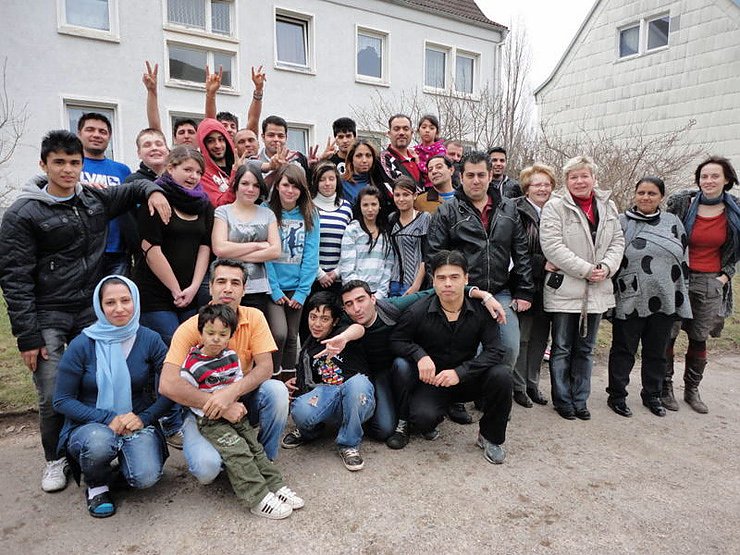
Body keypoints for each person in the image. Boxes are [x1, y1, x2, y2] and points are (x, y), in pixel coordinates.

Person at [0, 130, 169, 493]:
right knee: (52, 390)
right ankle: (55, 458)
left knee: (105, 379)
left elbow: (133, 188)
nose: (67, 169)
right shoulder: (22, 214)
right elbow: (14, 278)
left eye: (74, 162)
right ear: (43, 164)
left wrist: (152, 191)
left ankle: (103, 442)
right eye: (59, 162)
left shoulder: (93, 199)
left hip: (91, 311)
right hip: (48, 313)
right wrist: (27, 336)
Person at [53, 276, 172, 518]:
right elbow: (62, 399)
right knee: (99, 443)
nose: (119, 308)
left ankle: (114, 472)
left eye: (125, 300)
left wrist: (144, 418)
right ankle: (97, 485)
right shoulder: (82, 344)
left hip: (135, 420)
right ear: (99, 306)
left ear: (135, 301)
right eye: (110, 302)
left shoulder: (150, 339)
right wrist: (107, 418)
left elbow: (173, 388)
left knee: (146, 477)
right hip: (91, 423)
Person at [159, 258, 289, 480]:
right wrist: (218, 403)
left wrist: (229, 395)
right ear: (210, 287)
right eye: (221, 281)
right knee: (207, 470)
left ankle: (263, 459)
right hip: (200, 410)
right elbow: (167, 384)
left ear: (244, 289)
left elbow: (266, 367)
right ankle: (234, 461)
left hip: (242, 401)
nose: (228, 288)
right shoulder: (191, 327)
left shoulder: (254, 317)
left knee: (277, 391)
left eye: (235, 283)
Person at [340, 279, 505, 447]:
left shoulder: (391, 307)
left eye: (361, 300)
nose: (357, 308)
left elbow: (436, 290)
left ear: (373, 299)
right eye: (349, 304)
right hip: (374, 375)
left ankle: (405, 419)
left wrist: (484, 295)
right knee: (383, 430)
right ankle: (388, 412)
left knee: (402, 365)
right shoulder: (344, 322)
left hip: (402, 368)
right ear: (344, 309)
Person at [180, 304, 303, 519]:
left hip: (235, 412)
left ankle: (275, 484)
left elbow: (237, 382)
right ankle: (257, 497)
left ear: (230, 336)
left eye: (222, 334)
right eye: (210, 333)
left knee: (254, 447)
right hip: (210, 419)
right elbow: (188, 395)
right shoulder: (192, 365)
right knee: (238, 451)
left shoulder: (231, 356)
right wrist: (217, 407)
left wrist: (231, 403)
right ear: (200, 333)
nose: (216, 339)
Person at [390, 250, 512, 464]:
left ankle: (490, 437)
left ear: (466, 279)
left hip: (468, 378)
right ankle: (435, 414)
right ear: (433, 281)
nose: (448, 284)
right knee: (422, 419)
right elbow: (397, 340)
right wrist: (419, 355)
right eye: (441, 278)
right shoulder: (418, 311)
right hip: (433, 381)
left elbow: (495, 351)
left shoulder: (482, 311)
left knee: (502, 375)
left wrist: (460, 372)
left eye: (454, 277)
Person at [426, 151, 534, 375]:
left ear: (490, 176)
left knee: (509, 349)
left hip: (500, 291)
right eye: (470, 175)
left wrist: (524, 290)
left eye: (481, 175)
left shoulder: (508, 209)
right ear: (461, 177)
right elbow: (435, 257)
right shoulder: (446, 211)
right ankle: (467, 391)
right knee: (468, 353)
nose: (476, 181)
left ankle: (496, 389)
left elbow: (521, 251)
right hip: (463, 294)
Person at [539, 155, 625, 420]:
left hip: (597, 288)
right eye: (573, 177)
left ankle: (580, 399)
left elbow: (618, 241)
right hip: (566, 288)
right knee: (562, 347)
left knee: (585, 349)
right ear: (566, 181)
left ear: (594, 178)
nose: (579, 181)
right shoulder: (555, 207)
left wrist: (606, 268)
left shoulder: (608, 206)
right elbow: (552, 246)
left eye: (584, 176)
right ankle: (563, 399)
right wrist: (586, 269)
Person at [607, 177, 692, 418]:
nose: (646, 197)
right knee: (623, 349)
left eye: (652, 193)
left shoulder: (672, 222)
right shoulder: (622, 222)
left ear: (661, 197)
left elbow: (683, 258)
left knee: (657, 351)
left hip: (664, 298)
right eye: (641, 192)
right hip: (630, 296)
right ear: (635, 195)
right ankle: (617, 395)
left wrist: (681, 291)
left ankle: (652, 395)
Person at [662, 156, 740, 413]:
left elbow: (735, 250)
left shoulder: (735, 210)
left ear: (727, 179)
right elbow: (665, 233)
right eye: (704, 176)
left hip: (711, 281)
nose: (708, 181)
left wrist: (724, 276)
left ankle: (692, 390)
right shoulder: (683, 203)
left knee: (699, 337)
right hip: (678, 277)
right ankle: (665, 387)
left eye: (715, 176)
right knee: (668, 333)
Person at [282, 292, 373, 471]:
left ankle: (349, 444)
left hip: (357, 398)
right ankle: (310, 431)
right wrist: (295, 383)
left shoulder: (342, 333)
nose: (317, 324)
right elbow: (308, 385)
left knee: (357, 384)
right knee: (299, 409)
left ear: (335, 321)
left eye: (324, 319)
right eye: (313, 317)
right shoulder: (307, 349)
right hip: (330, 397)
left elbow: (358, 329)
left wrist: (344, 338)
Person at [135, 146, 213, 347]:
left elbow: (205, 246)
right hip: (156, 294)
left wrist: (194, 288)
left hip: (189, 292)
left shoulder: (204, 204)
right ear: (170, 168)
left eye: (198, 172)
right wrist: (176, 290)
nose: (193, 176)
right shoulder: (156, 199)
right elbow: (151, 250)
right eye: (187, 170)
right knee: (172, 345)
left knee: (193, 346)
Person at [266, 165, 320, 378]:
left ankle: (289, 383)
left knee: (291, 337)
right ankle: (273, 379)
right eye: (286, 185)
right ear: (277, 185)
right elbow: (265, 255)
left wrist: (302, 291)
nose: (290, 191)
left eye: (295, 186)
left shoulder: (310, 213)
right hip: (273, 288)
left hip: (297, 288)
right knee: (278, 333)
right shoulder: (266, 211)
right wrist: (274, 289)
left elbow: (311, 254)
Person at [511, 164, 556, 408]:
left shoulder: (557, 209)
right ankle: (518, 386)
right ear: (527, 187)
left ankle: (532, 383)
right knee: (523, 338)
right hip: (524, 282)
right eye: (537, 184)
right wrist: (541, 263)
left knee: (541, 337)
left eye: (547, 184)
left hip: (551, 286)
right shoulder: (515, 210)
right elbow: (512, 250)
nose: (542, 189)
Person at [212, 164, 280, 314]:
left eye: (256, 185)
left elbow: (275, 251)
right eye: (245, 183)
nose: (250, 189)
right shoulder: (222, 212)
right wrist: (257, 245)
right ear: (236, 185)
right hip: (226, 286)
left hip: (257, 287)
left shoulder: (268, 214)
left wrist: (232, 253)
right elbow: (219, 249)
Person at [77, 112, 133, 276]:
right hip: (82, 251)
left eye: (102, 131)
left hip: (117, 252)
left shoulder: (122, 170)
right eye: (90, 130)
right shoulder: (72, 167)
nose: (96, 135)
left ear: (109, 137)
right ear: (79, 134)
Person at [339, 186, 394, 299]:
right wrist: (360, 295)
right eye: (365, 205)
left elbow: (388, 266)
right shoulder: (352, 230)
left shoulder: (385, 232)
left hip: (379, 295)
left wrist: (379, 295)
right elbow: (347, 268)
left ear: (379, 206)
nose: (370, 209)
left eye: (374, 204)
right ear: (359, 206)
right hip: (356, 294)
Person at [310, 161, 354, 293]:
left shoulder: (346, 207)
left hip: (339, 278)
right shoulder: (308, 207)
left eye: (331, 179)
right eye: (322, 179)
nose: (327, 183)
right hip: (313, 278)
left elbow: (351, 244)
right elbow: (305, 246)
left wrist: (337, 272)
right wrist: (320, 274)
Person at [389, 177, 430, 296]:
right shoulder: (392, 219)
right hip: (393, 281)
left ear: (415, 195)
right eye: (397, 195)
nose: (401, 199)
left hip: (415, 282)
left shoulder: (424, 218)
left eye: (406, 195)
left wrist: (416, 285)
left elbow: (426, 254)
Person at [141, 61, 197, 147]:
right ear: (174, 139)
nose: (186, 136)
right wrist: (152, 91)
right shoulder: (168, 155)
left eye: (191, 132)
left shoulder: (207, 155)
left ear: (198, 138)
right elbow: (155, 129)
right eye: (181, 132)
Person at [204, 64, 266, 142]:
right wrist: (211, 93)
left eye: (233, 126)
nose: (229, 129)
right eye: (224, 125)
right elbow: (210, 121)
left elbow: (253, 120)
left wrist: (258, 90)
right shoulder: (213, 147)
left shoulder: (244, 146)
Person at [258, 115, 310, 187]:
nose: (276, 139)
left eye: (280, 136)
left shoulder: (298, 160)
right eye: (271, 135)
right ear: (263, 137)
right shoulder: (255, 162)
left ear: (286, 138)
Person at [196, 118, 237, 207]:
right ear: (203, 145)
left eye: (221, 139)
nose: (217, 145)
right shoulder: (202, 174)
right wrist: (236, 176)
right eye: (210, 141)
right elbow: (219, 205)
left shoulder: (239, 164)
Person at [341, 139, 392, 207]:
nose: (364, 160)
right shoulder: (341, 184)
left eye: (368, 155)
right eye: (359, 156)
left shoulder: (380, 183)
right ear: (351, 159)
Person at [380, 114, 422, 189]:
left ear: (411, 133)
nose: (401, 133)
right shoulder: (384, 159)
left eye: (406, 129)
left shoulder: (419, 158)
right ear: (389, 134)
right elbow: (399, 187)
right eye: (396, 129)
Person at [413, 114, 446, 189]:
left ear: (437, 132)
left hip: (435, 187)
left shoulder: (440, 149)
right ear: (418, 131)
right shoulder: (415, 150)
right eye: (424, 127)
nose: (427, 130)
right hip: (417, 187)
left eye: (431, 128)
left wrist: (419, 163)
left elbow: (435, 170)